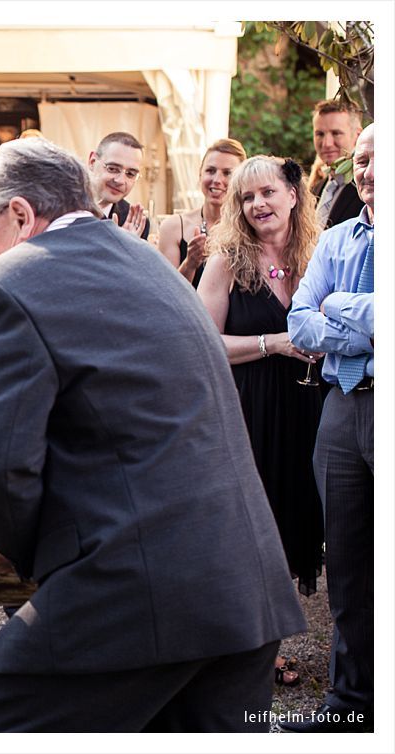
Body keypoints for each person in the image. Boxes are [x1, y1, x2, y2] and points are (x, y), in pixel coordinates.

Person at [0, 137, 305, 732]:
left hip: (135, 593)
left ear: (18, 214)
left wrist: (38, 567)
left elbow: (1, 466)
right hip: (245, 590)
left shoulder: (5, 284)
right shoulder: (148, 261)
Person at [197, 155, 325, 687]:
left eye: (267, 193)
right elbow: (205, 342)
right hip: (252, 409)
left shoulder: (320, 254)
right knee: (256, 523)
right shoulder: (227, 259)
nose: (258, 205)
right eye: (247, 199)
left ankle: (276, 635)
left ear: (293, 195)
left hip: (314, 408)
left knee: (300, 514)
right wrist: (274, 344)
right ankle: (254, 645)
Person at [284, 123, 375, 733]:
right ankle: (350, 704)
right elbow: (298, 323)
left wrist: (337, 307)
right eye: (361, 161)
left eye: (377, 160)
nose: (365, 171)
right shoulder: (339, 237)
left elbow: (323, 313)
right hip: (342, 409)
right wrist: (363, 320)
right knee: (346, 562)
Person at [157, 138, 247, 286]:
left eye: (227, 173)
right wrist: (190, 263)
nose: (217, 180)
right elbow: (167, 293)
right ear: (200, 176)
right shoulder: (173, 227)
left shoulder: (249, 229)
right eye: (210, 171)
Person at [309, 99, 364, 230]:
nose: (326, 143)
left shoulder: (367, 190)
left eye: (336, 133)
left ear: (357, 135)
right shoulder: (316, 189)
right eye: (320, 134)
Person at [87, 131, 150, 240]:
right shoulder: (60, 207)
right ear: (92, 162)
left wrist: (127, 245)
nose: (120, 181)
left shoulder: (135, 223)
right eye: (112, 169)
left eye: (130, 174)